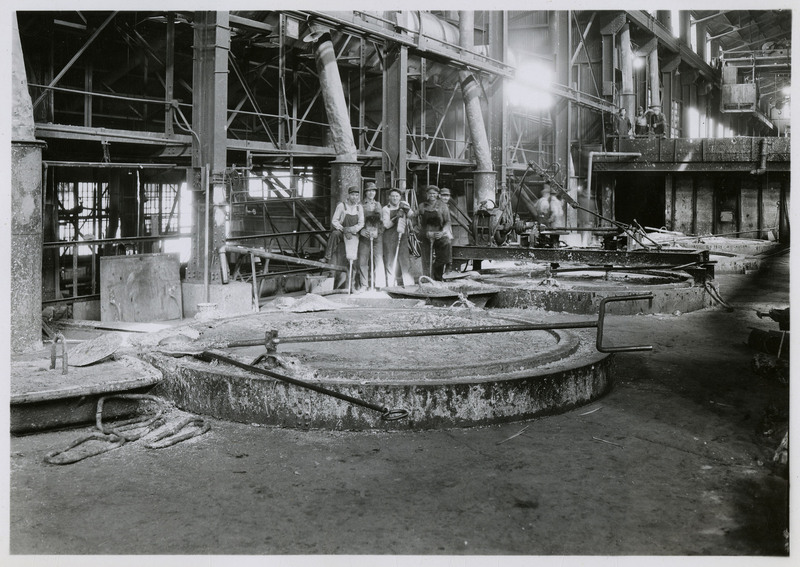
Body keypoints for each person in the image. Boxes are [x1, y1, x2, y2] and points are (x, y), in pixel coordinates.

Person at [412, 185, 452, 281]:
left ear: (438, 194)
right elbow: (413, 216)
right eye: (430, 193)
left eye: (434, 193)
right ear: (427, 194)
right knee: (426, 259)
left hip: (439, 234)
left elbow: (448, 222)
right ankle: (427, 279)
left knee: (443, 254)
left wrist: (442, 232)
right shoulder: (422, 206)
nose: (432, 195)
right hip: (426, 235)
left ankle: (438, 278)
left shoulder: (443, 206)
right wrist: (418, 230)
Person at [328, 185, 364, 290]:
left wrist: (352, 230)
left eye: (357, 195)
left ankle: (351, 286)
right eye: (353, 195)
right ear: (348, 195)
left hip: (353, 233)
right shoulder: (341, 206)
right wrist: (344, 229)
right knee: (334, 234)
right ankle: (328, 255)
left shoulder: (359, 207)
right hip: (342, 231)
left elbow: (361, 223)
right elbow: (334, 221)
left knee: (352, 258)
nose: (355, 197)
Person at [381, 188, 414, 287]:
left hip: (402, 236)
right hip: (389, 238)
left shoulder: (403, 205)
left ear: (400, 197)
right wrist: (396, 217)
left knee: (405, 261)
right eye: (393, 196)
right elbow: (386, 225)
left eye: (397, 196)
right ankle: (391, 284)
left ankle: (409, 284)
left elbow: (412, 216)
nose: (395, 198)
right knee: (390, 261)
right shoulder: (385, 209)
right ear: (389, 197)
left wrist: (407, 209)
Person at [357, 182, 386, 290]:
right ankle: (364, 285)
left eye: (373, 191)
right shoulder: (360, 205)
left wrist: (378, 232)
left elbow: (382, 221)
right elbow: (356, 221)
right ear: (365, 192)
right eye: (369, 191)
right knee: (363, 260)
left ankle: (379, 285)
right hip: (364, 236)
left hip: (377, 236)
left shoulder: (378, 204)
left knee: (378, 259)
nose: (371, 193)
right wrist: (361, 231)